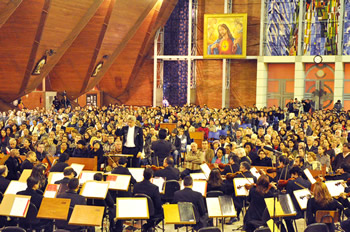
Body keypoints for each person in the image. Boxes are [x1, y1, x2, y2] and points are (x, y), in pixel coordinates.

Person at [285, 167, 311, 232]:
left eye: (292, 174)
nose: (291, 176)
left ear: (295, 174)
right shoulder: (308, 183)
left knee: (285, 217)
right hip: (306, 211)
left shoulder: (291, 183)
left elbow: (288, 196)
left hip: (296, 211)